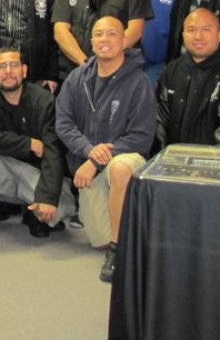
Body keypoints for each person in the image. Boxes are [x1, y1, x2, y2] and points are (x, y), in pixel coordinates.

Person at [55, 16, 155, 283]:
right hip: (90, 163)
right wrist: (88, 150)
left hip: (124, 159)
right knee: (97, 239)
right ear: (91, 42)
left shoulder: (139, 82)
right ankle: (119, 238)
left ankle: (117, 249)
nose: (105, 40)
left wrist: (96, 161)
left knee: (120, 169)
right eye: (99, 34)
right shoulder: (77, 78)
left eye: (112, 34)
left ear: (124, 40)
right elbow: (63, 123)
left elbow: (141, 136)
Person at [0, 46, 75, 250]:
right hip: (5, 171)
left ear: (24, 71)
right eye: (2, 67)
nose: (8, 72)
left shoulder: (44, 100)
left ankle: (32, 212)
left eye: (14, 65)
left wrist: (47, 198)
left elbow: (53, 152)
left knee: (57, 211)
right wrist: (28, 144)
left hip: (36, 174)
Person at [156, 8, 220, 149]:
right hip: (171, 158)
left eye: (206, 30)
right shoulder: (171, 71)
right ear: (183, 35)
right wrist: (161, 156)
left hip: (218, 161)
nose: (198, 36)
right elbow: (158, 124)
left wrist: (203, 161)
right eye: (191, 30)